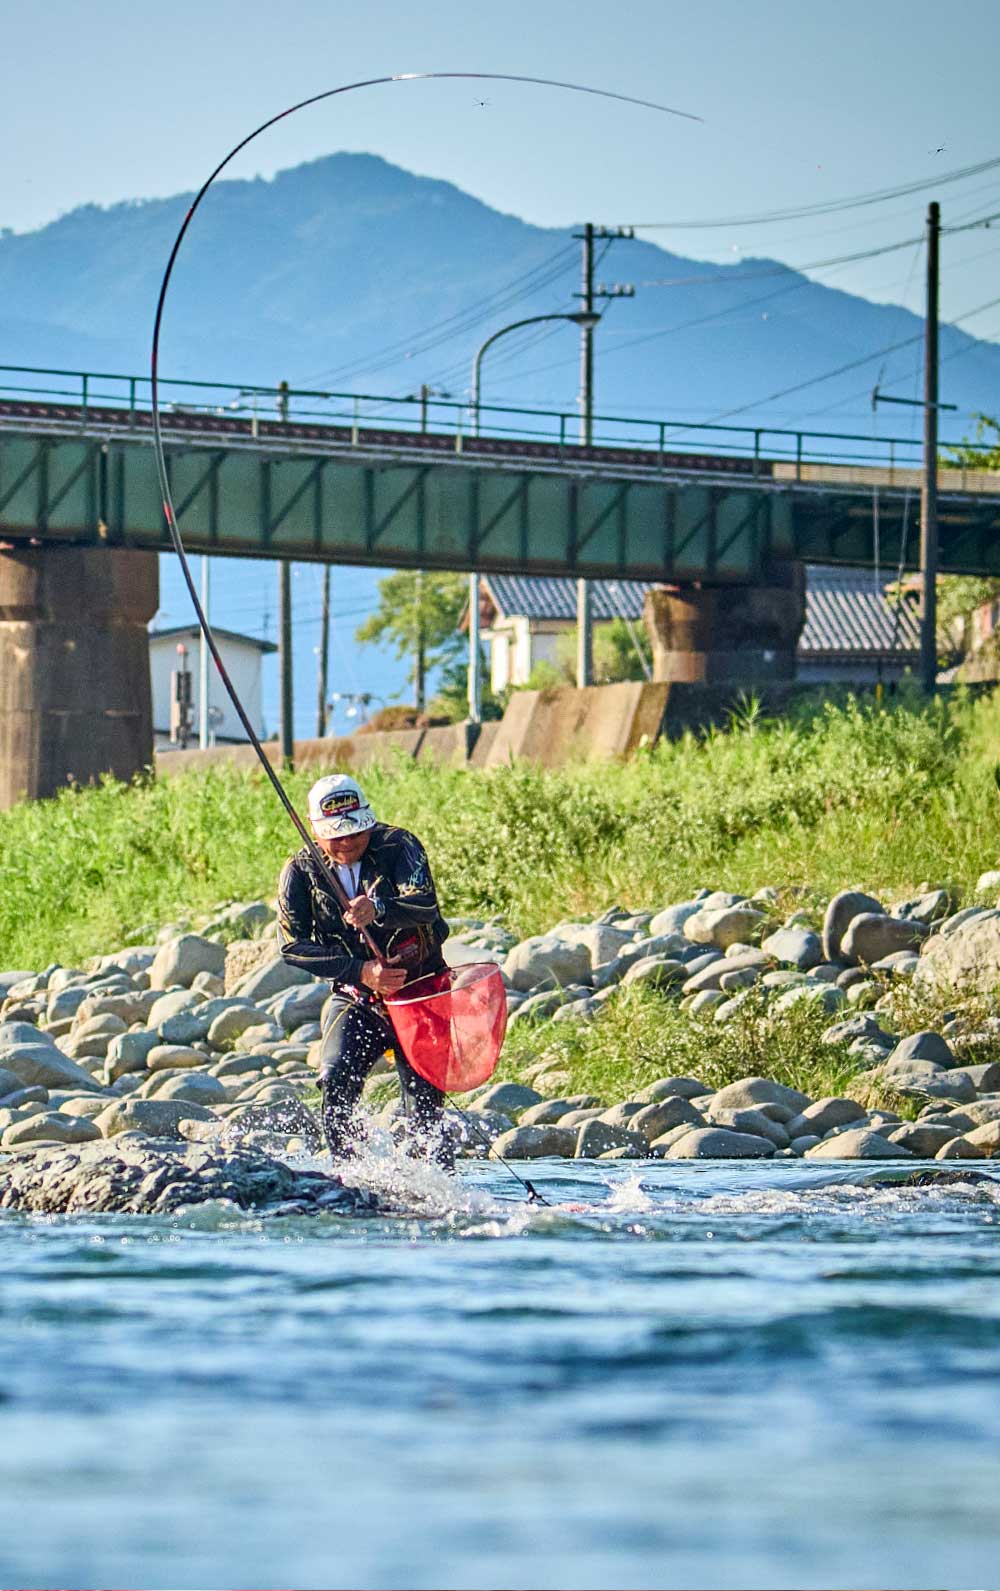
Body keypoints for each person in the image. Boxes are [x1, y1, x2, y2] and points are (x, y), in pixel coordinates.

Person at [277, 772, 451, 1164]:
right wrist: (361, 972)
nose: (348, 843)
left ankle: (439, 1186)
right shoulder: (300, 871)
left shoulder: (399, 844)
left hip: (422, 993)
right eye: (335, 836)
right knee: (335, 1080)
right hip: (357, 999)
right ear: (314, 830)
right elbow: (292, 946)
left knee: (424, 1104)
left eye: (356, 832)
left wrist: (380, 910)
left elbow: (425, 903)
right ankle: (350, 1177)